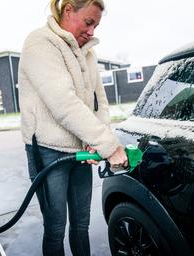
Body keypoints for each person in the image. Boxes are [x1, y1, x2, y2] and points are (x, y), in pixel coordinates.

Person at [18, 0, 128, 255]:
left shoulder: (87, 53)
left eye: (96, 26)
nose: (92, 32)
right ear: (68, 10)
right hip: (47, 151)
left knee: (81, 225)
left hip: (80, 151)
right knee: (55, 228)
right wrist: (109, 146)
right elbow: (63, 103)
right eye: (89, 22)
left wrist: (96, 139)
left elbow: (99, 102)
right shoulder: (40, 43)